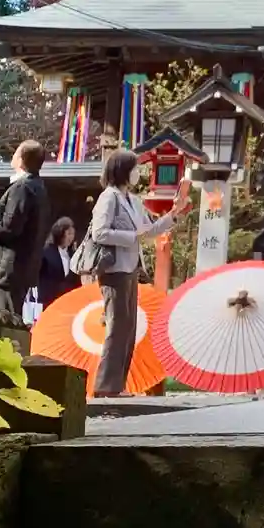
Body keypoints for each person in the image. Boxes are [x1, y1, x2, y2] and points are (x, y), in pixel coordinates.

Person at [89, 150, 191, 397]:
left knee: (128, 328)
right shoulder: (108, 197)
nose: (138, 173)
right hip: (113, 269)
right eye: (134, 168)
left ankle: (117, 385)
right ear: (122, 170)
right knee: (116, 326)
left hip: (131, 267)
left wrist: (173, 215)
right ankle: (105, 386)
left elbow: (149, 230)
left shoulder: (133, 200)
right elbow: (99, 233)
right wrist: (130, 237)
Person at [0, 143, 51, 322]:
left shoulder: (22, 187)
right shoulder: (38, 187)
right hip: (20, 269)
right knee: (7, 321)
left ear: (21, 159)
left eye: (16, 152)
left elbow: (10, 228)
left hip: (5, 270)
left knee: (0, 323)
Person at [37, 217, 81, 309]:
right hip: (51, 299)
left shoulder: (73, 254)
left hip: (68, 299)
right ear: (60, 233)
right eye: (69, 234)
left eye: (73, 234)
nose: (71, 237)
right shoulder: (47, 252)